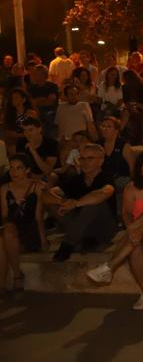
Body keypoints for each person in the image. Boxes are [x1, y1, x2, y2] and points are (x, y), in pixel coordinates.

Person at [86, 151, 143, 310]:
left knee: (141, 231)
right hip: (140, 233)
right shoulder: (131, 188)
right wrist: (132, 230)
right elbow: (127, 213)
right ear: (140, 171)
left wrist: (131, 230)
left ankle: (109, 267)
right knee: (136, 249)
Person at [45, 144, 116, 262]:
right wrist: (63, 201)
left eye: (90, 158)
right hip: (80, 224)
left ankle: (68, 244)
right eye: (82, 158)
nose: (85, 162)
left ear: (101, 161)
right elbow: (47, 195)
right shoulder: (76, 179)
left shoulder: (106, 177)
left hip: (103, 227)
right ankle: (81, 239)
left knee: (92, 205)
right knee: (52, 203)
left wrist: (76, 203)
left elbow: (104, 193)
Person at [0, 155, 48, 298]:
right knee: (5, 235)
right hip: (12, 227)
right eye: (12, 168)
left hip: (29, 229)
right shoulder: (4, 188)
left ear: (27, 170)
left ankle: (7, 281)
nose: (14, 172)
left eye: (19, 168)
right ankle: (15, 276)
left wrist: (43, 240)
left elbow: (38, 217)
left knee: (5, 238)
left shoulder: (36, 186)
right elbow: (4, 216)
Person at [99, 117, 134, 220]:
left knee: (118, 186)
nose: (105, 129)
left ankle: (119, 217)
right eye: (103, 126)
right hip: (104, 178)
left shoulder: (124, 145)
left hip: (122, 178)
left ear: (116, 130)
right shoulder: (98, 144)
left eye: (109, 127)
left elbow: (132, 167)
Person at [27, 64, 59, 134]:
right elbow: (31, 102)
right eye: (34, 73)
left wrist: (37, 101)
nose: (34, 75)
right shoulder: (31, 88)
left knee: (47, 117)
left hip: (49, 111)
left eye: (37, 73)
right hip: (34, 111)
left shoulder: (52, 86)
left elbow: (51, 101)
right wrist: (43, 99)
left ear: (44, 75)